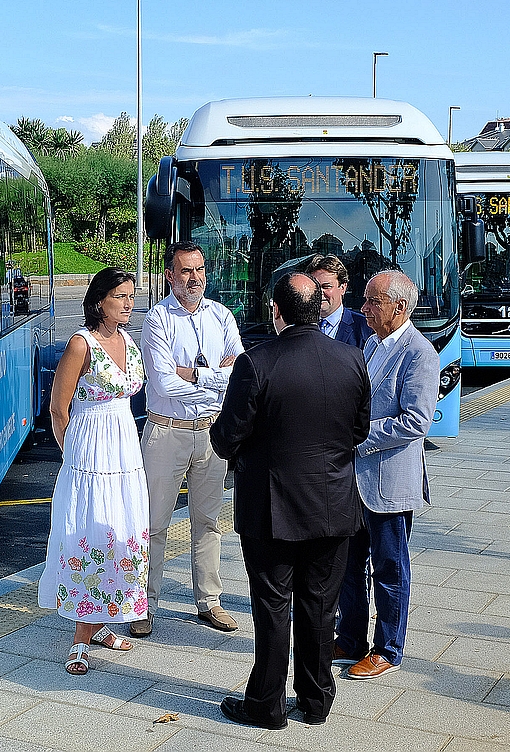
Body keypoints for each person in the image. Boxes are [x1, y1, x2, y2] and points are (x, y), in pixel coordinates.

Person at [210, 272, 371, 730]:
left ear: (276, 312)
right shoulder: (352, 360)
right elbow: (358, 431)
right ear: (317, 308)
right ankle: (316, 701)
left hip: (271, 510)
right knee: (321, 608)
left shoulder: (256, 363)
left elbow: (227, 437)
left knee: (272, 608)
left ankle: (267, 704)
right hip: (333, 506)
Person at [38, 267, 149, 675]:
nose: (128, 303)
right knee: (93, 534)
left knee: (121, 535)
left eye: (131, 297)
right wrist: (75, 456)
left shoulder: (127, 340)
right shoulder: (80, 345)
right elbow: (58, 408)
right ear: (100, 299)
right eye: (121, 296)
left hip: (124, 450)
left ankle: (101, 623)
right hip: (91, 453)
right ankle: (81, 639)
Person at [134, 241, 244, 637]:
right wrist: (218, 381)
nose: (195, 278)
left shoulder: (221, 315)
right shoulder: (157, 320)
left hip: (211, 434)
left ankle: (209, 601)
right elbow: (162, 382)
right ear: (169, 275)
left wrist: (197, 376)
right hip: (167, 433)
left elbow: (240, 372)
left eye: (199, 270)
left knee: (209, 522)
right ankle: (144, 604)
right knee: (155, 524)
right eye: (185, 271)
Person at [335, 269, 440, 680]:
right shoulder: (372, 344)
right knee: (348, 564)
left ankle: (388, 648)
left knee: (390, 567)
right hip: (354, 481)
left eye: (372, 302)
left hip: (388, 482)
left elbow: (416, 421)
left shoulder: (419, 353)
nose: (363, 309)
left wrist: (358, 437)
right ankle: (350, 638)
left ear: (399, 307)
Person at [301, 254, 373, 349]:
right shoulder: (298, 326)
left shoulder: (365, 327)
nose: (319, 293)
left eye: (326, 287)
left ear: (343, 288)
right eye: (314, 288)